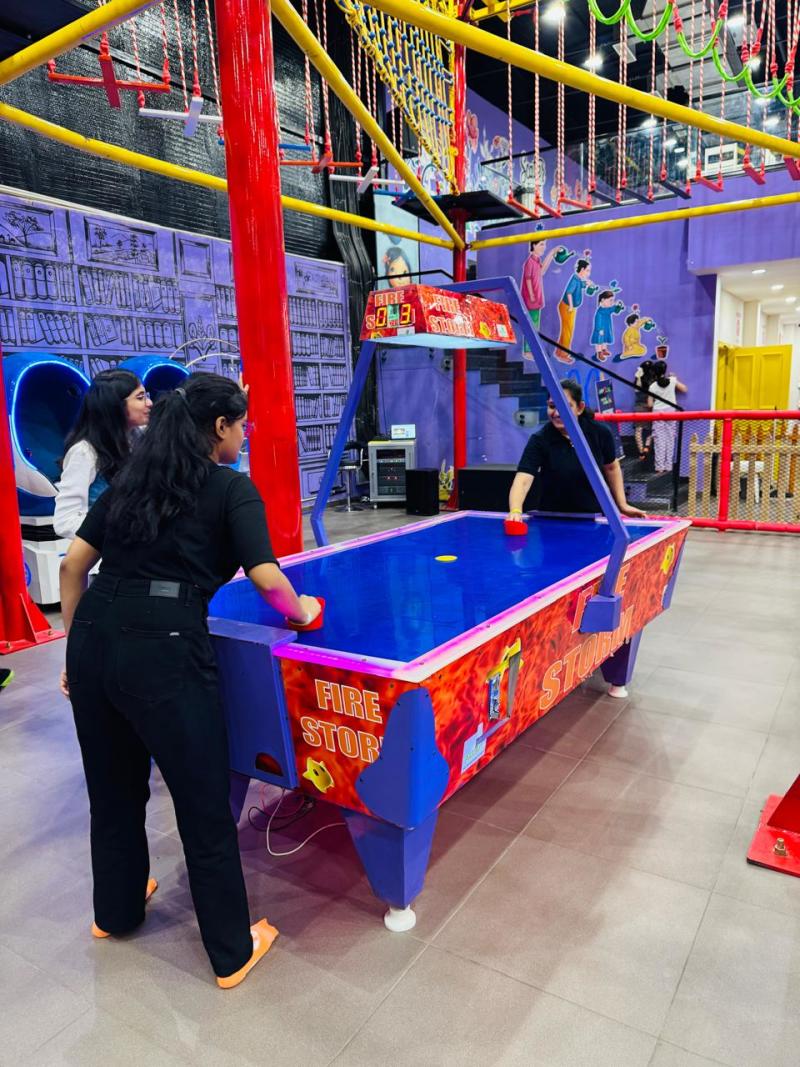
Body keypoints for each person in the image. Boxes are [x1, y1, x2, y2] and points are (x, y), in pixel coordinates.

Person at [59, 373, 321, 989]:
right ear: (221, 427)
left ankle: (116, 912)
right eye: (242, 424)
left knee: (113, 791)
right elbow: (267, 577)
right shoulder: (231, 488)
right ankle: (231, 951)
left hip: (95, 635)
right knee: (202, 802)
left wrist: (75, 654)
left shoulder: (132, 478)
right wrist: (303, 611)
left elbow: (73, 566)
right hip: (166, 644)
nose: (244, 435)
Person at [507, 379, 647, 519]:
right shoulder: (540, 439)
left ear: (580, 408)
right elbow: (523, 478)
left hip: (595, 517)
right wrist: (515, 510)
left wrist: (622, 505)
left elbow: (611, 467)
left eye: (565, 407)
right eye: (552, 406)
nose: (557, 413)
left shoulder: (600, 433)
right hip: (553, 517)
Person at [54, 369, 152, 540]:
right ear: (115, 405)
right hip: (108, 550)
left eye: (146, 395)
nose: (149, 403)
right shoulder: (85, 452)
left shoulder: (141, 436)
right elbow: (65, 521)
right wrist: (121, 530)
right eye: (140, 397)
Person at [520, 235, 563, 350]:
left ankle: (531, 349)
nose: (544, 247)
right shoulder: (530, 262)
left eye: (545, 244)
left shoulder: (536, 261)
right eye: (541, 244)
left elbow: (542, 271)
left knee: (534, 324)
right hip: (531, 300)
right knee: (531, 324)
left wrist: (552, 253)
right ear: (534, 245)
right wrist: (532, 296)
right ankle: (528, 349)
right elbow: (528, 279)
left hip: (535, 299)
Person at [647, 361, 688, 472]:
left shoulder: (652, 386)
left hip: (657, 413)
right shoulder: (672, 380)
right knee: (670, 439)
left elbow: (650, 404)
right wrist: (674, 378)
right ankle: (668, 466)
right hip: (670, 412)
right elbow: (684, 389)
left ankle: (659, 467)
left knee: (659, 440)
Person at [556, 258, 593, 363]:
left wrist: (587, 284)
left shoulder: (578, 279)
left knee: (565, 331)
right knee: (568, 331)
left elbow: (580, 285)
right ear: (582, 269)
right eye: (588, 270)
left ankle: (559, 352)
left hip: (569, 307)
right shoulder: (575, 279)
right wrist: (571, 306)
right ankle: (564, 355)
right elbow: (569, 292)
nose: (589, 273)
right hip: (568, 307)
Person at [590, 290, 624, 362]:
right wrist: (599, 329)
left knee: (605, 339)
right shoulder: (600, 311)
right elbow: (597, 321)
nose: (612, 302)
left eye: (613, 300)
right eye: (610, 300)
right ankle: (599, 352)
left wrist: (618, 307)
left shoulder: (607, 308)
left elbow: (614, 310)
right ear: (603, 300)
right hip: (601, 329)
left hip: (607, 327)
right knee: (599, 341)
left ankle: (604, 349)